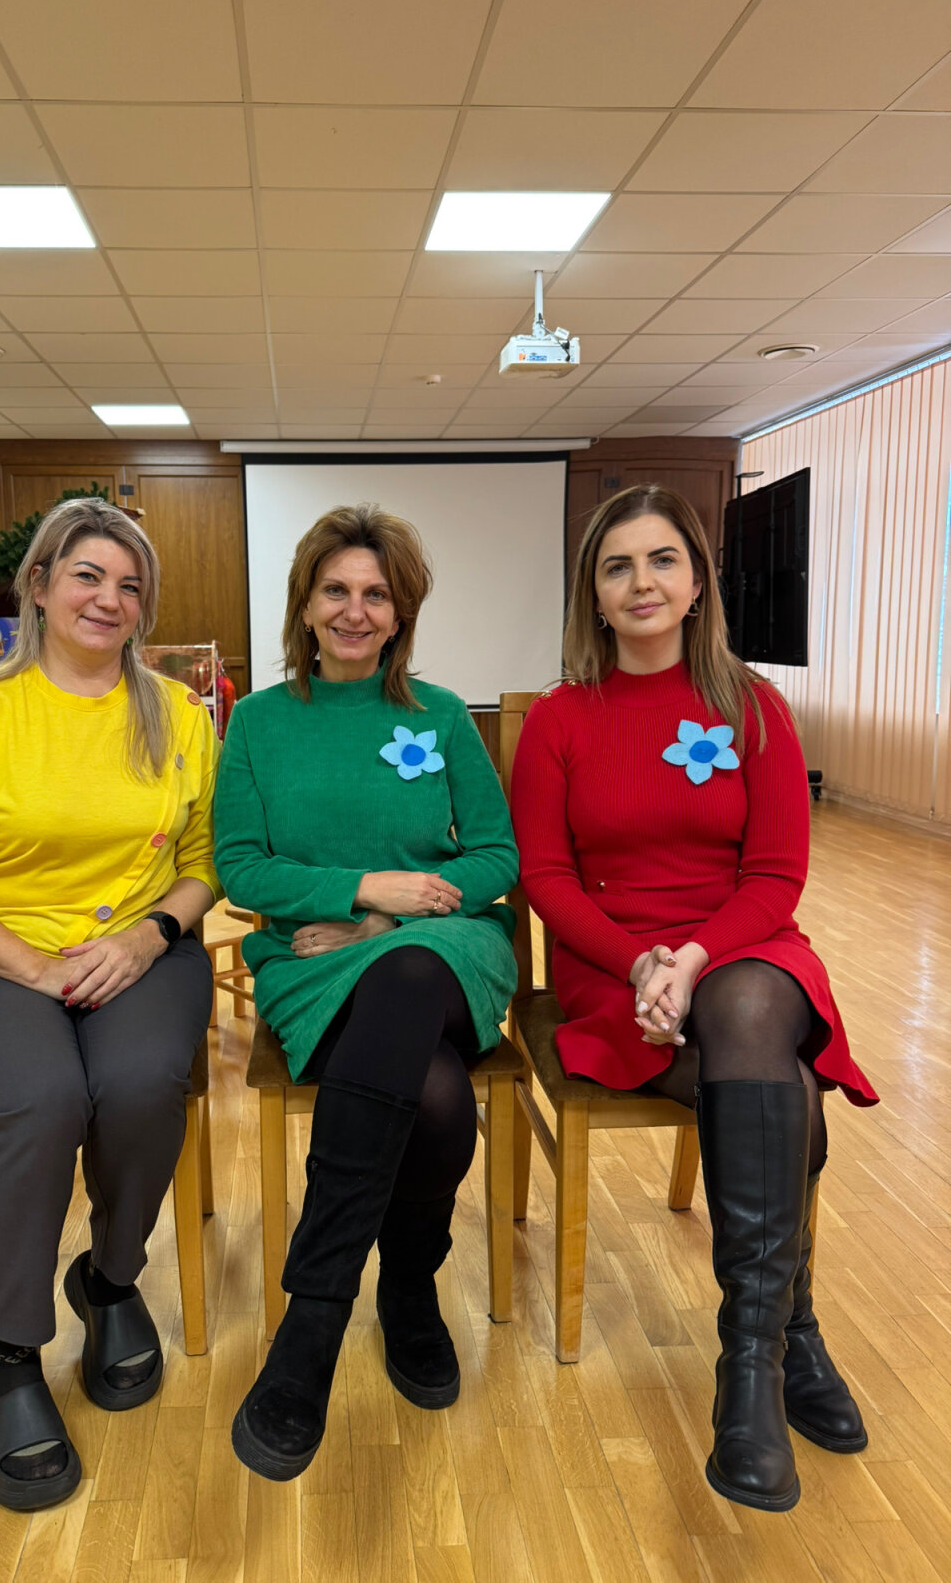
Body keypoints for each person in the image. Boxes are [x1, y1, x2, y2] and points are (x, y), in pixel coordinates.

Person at [509, 484, 877, 1514]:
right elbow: (546, 877)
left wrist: (695, 957)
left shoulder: (753, 708)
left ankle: (747, 1365)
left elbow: (776, 875)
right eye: (617, 565)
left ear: (699, 580)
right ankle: (790, 1335)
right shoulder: (560, 719)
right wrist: (642, 965)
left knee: (748, 1012)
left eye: (662, 559)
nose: (642, 582)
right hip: (612, 969)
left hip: (745, 950)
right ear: (593, 592)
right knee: (782, 1090)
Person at [0, 498, 220, 1512]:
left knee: (142, 1080)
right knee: (41, 1097)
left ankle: (110, 1281)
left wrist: (147, 936)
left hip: (140, 952)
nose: (109, 599)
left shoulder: (178, 715)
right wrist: (35, 968)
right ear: (37, 585)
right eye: (87, 575)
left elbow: (207, 860)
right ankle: (13, 1357)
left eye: (129, 585)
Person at [214, 503, 518, 1482]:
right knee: (436, 1098)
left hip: (442, 947)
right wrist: (359, 890)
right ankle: (406, 1291)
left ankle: (311, 1322)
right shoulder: (258, 723)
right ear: (304, 605)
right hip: (312, 959)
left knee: (410, 970)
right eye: (336, 590)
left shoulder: (441, 714)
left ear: (401, 613)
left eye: (377, 594)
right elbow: (240, 866)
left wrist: (389, 918)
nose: (356, 610)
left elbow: (496, 856)